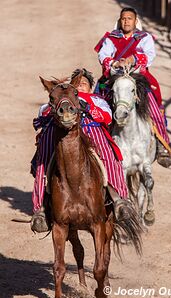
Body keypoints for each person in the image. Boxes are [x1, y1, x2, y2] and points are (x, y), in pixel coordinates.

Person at [31, 68, 129, 233]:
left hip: (91, 131)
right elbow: (42, 113)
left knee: (108, 154)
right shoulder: (65, 97)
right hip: (61, 132)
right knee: (44, 158)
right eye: (78, 84)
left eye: (85, 84)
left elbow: (107, 116)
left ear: (91, 88)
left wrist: (88, 106)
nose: (81, 87)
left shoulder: (97, 100)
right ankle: (39, 208)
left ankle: (120, 199)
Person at [94, 7, 171, 167]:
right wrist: (115, 62)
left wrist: (133, 59)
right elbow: (103, 55)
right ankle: (98, 141)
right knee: (99, 102)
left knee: (152, 101)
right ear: (120, 20)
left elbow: (150, 55)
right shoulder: (111, 38)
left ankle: (162, 144)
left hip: (138, 77)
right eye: (123, 18)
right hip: (115, 75)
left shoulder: (144, 38)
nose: (126, 21)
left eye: (129, 18)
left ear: (135, 20)